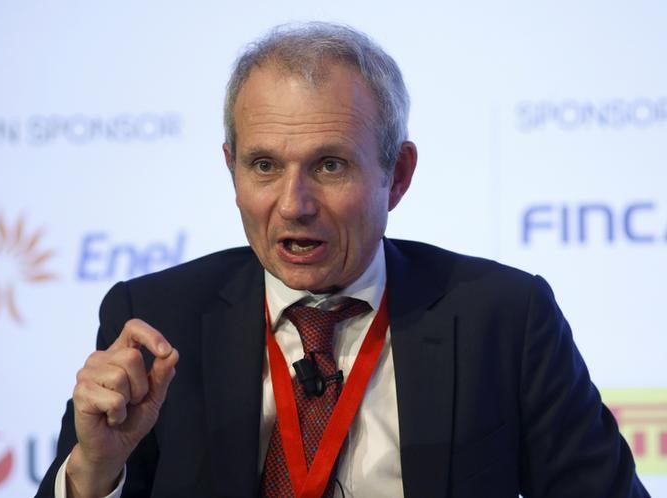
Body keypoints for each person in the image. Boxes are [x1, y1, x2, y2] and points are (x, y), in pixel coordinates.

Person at [36, 22, 649, 498]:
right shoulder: (155, 317)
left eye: (330, 165)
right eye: (265, 166)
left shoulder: (505, 318)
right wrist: (95, 468)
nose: (294, 204)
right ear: (231, 170)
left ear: (398, 175)